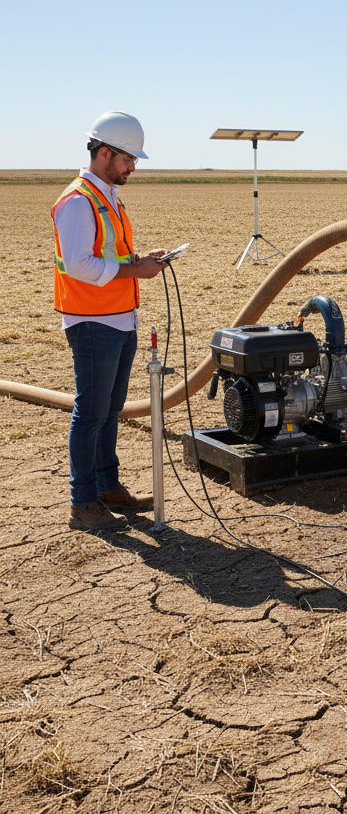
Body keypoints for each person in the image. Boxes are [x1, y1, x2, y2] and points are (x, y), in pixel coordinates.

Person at [53, 112, 168, 532]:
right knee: (91, 414)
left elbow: (110, 254)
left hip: (119, 319)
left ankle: (107, 487)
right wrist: (135, 271)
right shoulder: (78, 201)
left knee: (110, 410)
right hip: (92, 322)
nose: (133, 166)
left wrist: (139, 261)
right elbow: (79, 264)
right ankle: (83, 503)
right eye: (128, 158)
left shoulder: (107, 197)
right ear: (104, 153)